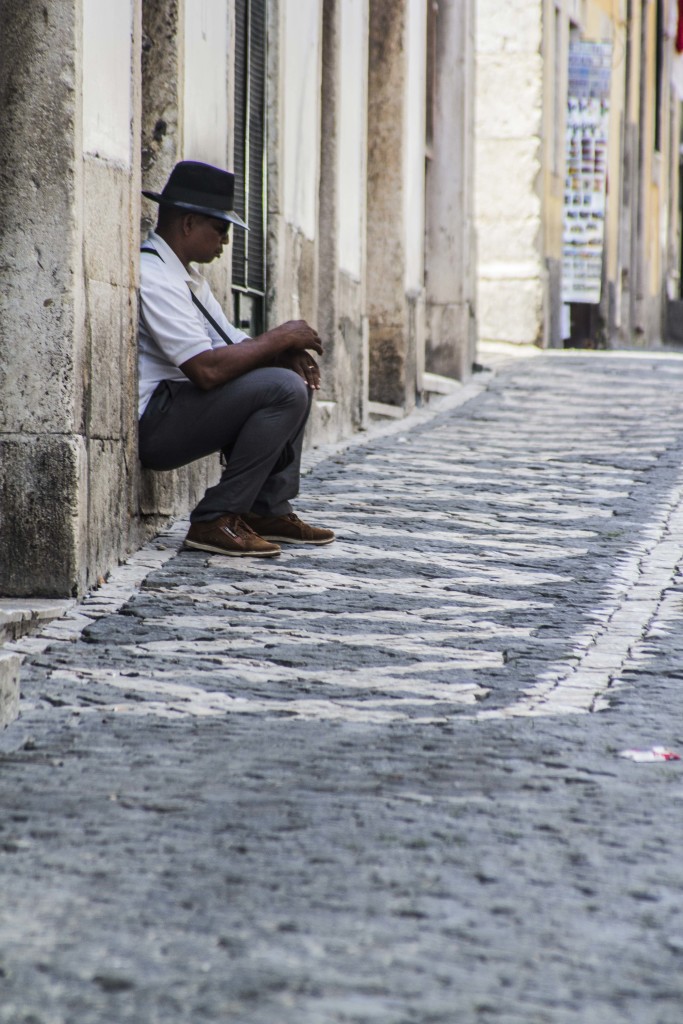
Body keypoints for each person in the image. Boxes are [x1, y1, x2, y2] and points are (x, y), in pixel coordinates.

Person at [137, 160, 334, 558]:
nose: (225, 242)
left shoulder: (186, 277)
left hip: (180, 407)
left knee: (288, 373)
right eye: (221, 230)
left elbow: (231, 340)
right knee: (282, 386)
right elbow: (206, 370)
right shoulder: (154, 275)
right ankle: (215, 518)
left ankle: (265, 510)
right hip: (157, 424)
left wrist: (282, 351)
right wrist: (278, 337)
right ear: (189, 223)